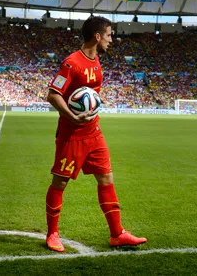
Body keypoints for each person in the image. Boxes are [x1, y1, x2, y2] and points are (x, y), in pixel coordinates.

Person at [44, 16, 146, 252]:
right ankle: (52, 234)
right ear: (97, 36)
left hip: (94, 132)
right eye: (109, 35)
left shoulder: (97, 60)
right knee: (60, 182)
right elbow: (53, 94)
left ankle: (117, 234)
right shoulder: (71, 63)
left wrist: (93, 105)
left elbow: (90, 92)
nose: (112, 40)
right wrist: (73, 115)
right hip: (72, 135)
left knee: (106, 178)